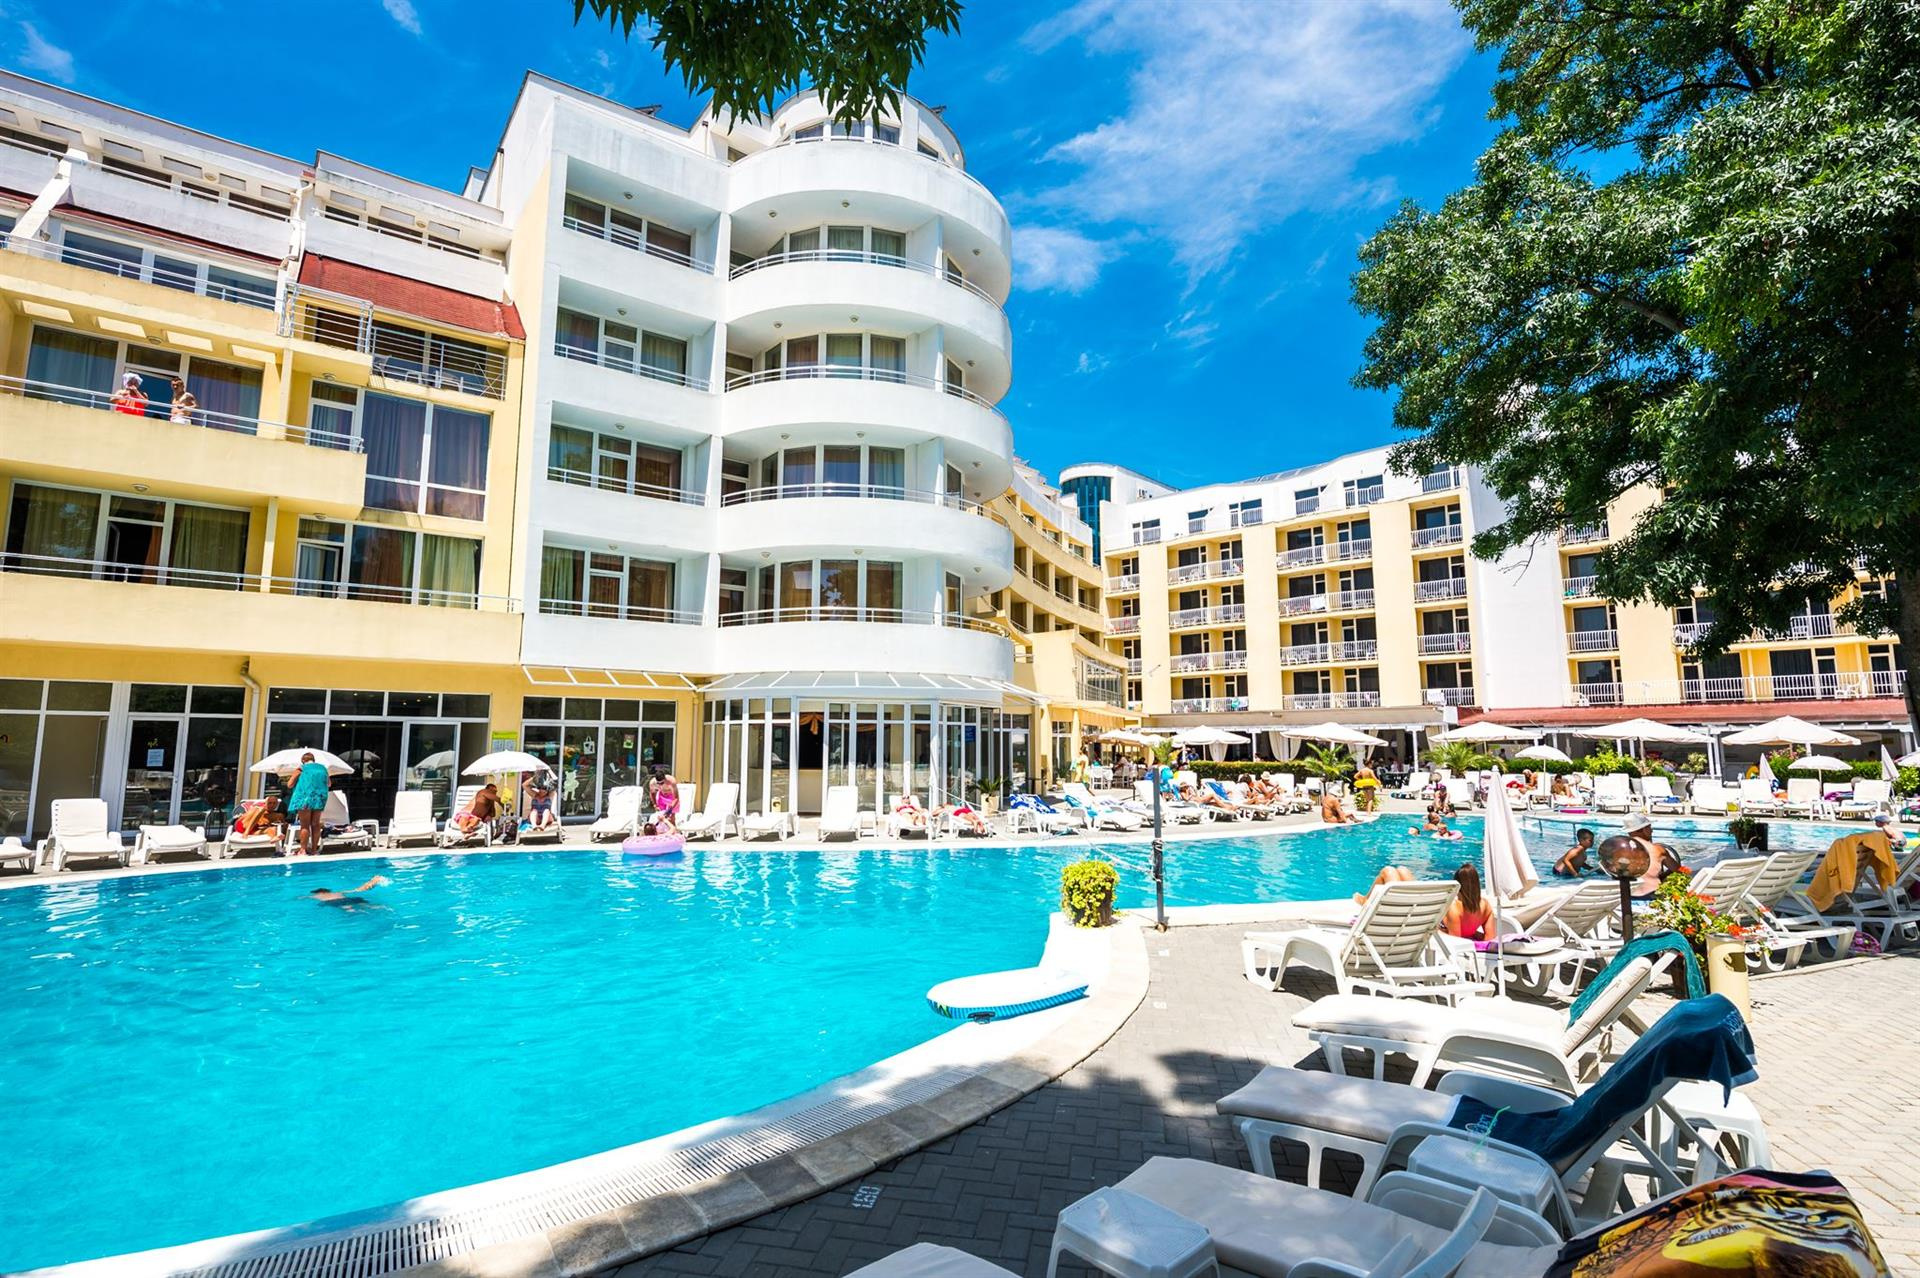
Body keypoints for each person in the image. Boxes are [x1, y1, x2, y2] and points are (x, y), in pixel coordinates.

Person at [1624, 813, 1684, 899]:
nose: (1651, 831)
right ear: (1642, 829)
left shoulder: (1618, 851)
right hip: (1652, 897)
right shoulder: (1657, 849)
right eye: (1649, 827)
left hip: (1625, 896)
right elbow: (1679, 871)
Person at [285, 751, 331, 857]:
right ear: (313, 760)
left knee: (304, 825)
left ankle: (303, 850)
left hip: (304, 798)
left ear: (303, 760)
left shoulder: (301, 768)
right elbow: (329, 784)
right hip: (319, 798)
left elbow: (289, 784)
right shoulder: (323, 768)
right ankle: (314, 850)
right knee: (315, 824)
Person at [1443, 864, 1496, 941]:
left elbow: (1455, 941)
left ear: (1458, 887)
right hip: (1469, 940)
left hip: (1446, 943)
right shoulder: (1485, 905)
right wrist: (1474, 934)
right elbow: (1489, 939)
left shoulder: (1454, 907)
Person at [311, 875, 390, 906]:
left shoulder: (316, 896)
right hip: (347, 899)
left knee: (349, 909)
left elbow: (305, 897)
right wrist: (367, 885)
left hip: (335, 902)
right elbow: (354, 890)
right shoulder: (338, 892)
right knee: (365, 905)